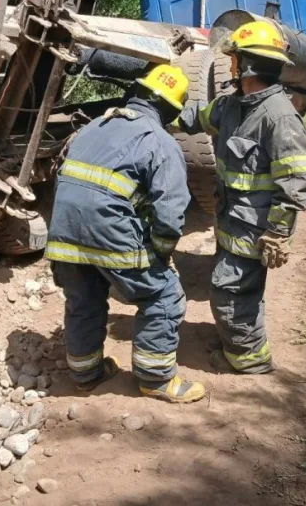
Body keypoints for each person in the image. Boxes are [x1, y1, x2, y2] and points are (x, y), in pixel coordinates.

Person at [45, 64, 206, 404]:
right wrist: (160, 252)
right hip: (107, 230)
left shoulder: (94, 126)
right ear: (170, 111)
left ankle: (86, 376)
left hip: (62, 232)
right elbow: (171, 209)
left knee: (84, 299)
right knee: (163, 296)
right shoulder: (159, 140)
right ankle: (156, 379)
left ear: (138, 92)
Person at [179, 21, 306, 374]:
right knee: (238, 289)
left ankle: (248, 359)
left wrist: (277, 233)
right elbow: (195, 118)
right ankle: (238, 339)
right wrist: (154, 104)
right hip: (229, 221)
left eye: (235, 59)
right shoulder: (233, 106)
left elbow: (297, 182)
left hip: (253, 230)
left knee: (231, 293)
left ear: (248, 66)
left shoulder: (279, 117)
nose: (231, 66)